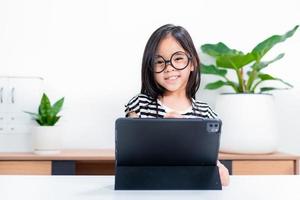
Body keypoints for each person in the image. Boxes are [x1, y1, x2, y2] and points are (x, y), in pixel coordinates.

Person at [125, 24, 229, 186]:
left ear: (193, 63)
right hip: (148, 187)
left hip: (189, 188)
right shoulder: (139, 105)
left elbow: (210, 164)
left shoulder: (206, 114)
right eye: (159, 61)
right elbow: (130, 157)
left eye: (178, 58)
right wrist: (163, 132)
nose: (169, 68)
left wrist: (220, 171)